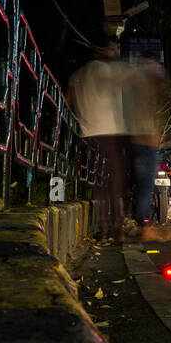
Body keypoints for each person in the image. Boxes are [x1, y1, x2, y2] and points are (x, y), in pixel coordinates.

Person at [66, 38, 129, 240]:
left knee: (98, 181)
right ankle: (118, 225)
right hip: (110, 131)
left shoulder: (79, 75)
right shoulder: (108, 71)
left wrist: (82, 116)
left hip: (88, 133)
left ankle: (102, 227)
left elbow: (67, 101)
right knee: (116, 180)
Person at [121, 52, 171, 235]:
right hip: (146, 140)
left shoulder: (131, 82)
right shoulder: (151, 81)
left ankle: (129, 221)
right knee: (145, 185)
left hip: (132, 138)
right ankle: (145, 227)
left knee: (134, 183)